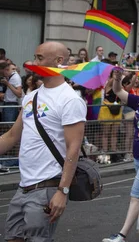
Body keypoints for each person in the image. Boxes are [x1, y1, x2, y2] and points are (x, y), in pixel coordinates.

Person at [0, 42, 86, 240]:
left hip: (46, 187)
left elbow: (73, 148)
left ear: (58, 61)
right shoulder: (32, 96)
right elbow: (12, 135)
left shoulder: (70, 99)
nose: (33, 62)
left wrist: (62, 191)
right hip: (23, 187)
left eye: (39, 58)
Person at [103, 71, 139, 242]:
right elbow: (118, 91)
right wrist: (117, 79)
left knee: (136, 196)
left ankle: (122, 235)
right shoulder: (138, 102)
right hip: (138, 155)